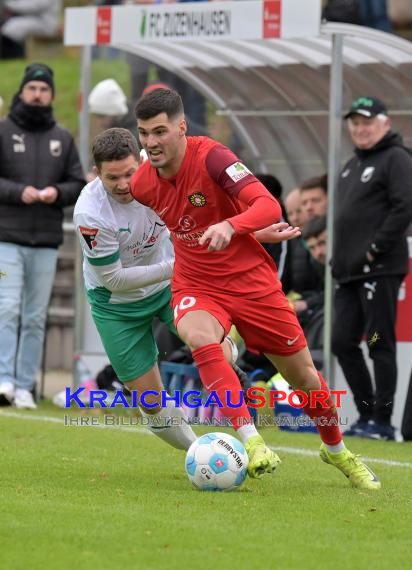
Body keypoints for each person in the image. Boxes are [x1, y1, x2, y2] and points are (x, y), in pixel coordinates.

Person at [131, 87, 380, 489]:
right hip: (197, 282)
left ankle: (337, 451)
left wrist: (237, 227)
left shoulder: (212, 156)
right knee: (198, 337)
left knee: (305, 380)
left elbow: (267, 206)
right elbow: (179, 221)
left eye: (160, 131)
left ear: (181, 127)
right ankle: (252, 441)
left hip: (251, 283)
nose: (151, 142)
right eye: (144, 133)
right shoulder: (143, 184)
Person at [73, 127, 296, 450]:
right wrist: (181, 263)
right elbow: (115, 279)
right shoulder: (90, 213)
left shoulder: (161, 177)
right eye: (112, 178)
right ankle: (201, 452)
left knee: (211, 347)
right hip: (115, 304)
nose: (123, 185)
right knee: (150, 402)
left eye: (129, 174)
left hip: (172, 286)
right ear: (97, 174)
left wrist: (251, 234)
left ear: (143, 160)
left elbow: (198, 225)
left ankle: (230, 363)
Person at [0, 63, 85, 409]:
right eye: (32, 88)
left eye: (44, 89)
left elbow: (77, 183)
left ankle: (25, 386)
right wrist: (18, 191)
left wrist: (55, 192)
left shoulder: (62, 138)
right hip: (6, 237)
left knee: (35, 315)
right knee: (7, 308)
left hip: (46, 241)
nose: (37, 94)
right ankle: (3, 379)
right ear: (22, 92)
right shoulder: (3, 131)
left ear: (51, 95)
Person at [332, 96, 412, 440]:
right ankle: (366, 413)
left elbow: (405, 204)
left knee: (379, 342)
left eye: (367, 121)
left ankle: (382, 419)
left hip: (379, 270)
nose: (360, 128)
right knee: (341, 341)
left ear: (385, 123)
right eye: (355, 122)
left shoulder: (396, 158)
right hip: (348, 274)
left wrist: (375, 248)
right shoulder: (351, 165)